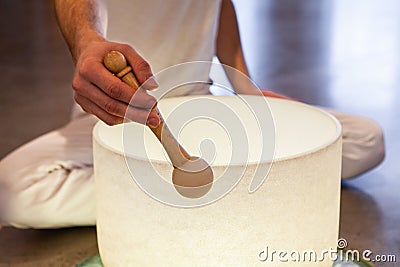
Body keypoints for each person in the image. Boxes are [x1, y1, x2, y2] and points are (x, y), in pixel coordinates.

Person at [0, 0, 384, 228]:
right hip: (119, 113)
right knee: (11, 192)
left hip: (203, 106)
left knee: (365, 139)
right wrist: (87, 40)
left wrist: (247, 89)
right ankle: (231, 190)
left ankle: (191, 189)